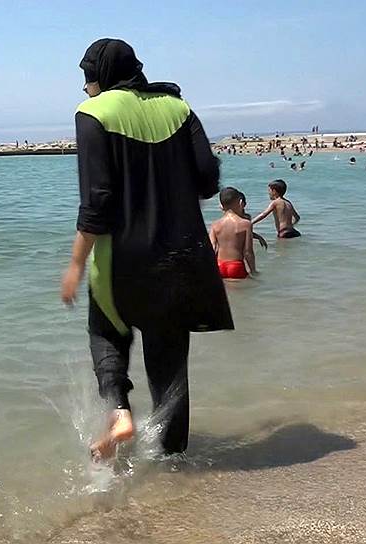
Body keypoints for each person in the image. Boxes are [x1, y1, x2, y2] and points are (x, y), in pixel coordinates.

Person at [61, 38, 233, 461]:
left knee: (106, 332)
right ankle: (175, 466)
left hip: (121, 259)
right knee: (170, 370)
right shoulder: (178, 107)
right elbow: (208, 180)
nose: (85, 88)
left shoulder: (93, 113)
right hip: (181, 259)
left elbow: (97, 201)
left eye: (87, 79)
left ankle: (120, 412)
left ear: (99, 77)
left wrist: (76, 264)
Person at [209, 188, 256, 279]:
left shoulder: (215, 225)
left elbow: (213, 248)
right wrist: (253, 270)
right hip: (236, 266)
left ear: (221, 206)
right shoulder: (246, 224)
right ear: (240, 202)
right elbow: (248, 252)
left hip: (219, 266)